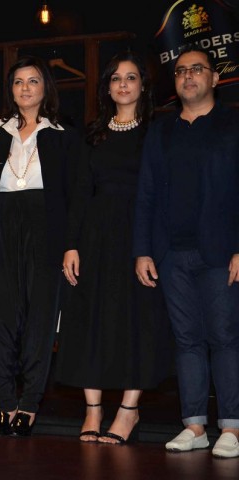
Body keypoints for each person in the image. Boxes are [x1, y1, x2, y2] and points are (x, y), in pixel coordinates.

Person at [55, 51, 171, 444]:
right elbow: (79, 194)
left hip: (139, 237)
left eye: (131, 77)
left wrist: (150, 245)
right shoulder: (92, 134)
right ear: (106, 87)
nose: (123, 84)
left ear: (143, 86)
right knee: (90, 320)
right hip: (94, 237)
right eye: (116, 78)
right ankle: (93, 409)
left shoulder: (156, 132)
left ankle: (128, 410)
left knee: (136, 321)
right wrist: (71, 245)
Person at [133, 43, 239, 458]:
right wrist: (143, 250)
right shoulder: (161, 130)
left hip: (221, 252)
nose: (188, 76)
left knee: (225, 337)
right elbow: (146, 194)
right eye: (180, 71)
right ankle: (194, 426)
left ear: (215, 77)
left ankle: (231, 427)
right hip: (171, 255)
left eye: (197, 69)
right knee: (186, 340)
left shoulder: (232, 124)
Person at [0, 56, 80, 436]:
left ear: (45, 87)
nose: (25, 88)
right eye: (18, 82)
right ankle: (4, 402)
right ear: (10, 90)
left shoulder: (63, 134)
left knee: (40, 320)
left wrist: (71, 244)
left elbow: (74, 196)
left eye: (33, 81)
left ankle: (30, 404)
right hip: (0, 225)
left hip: (46, 228)